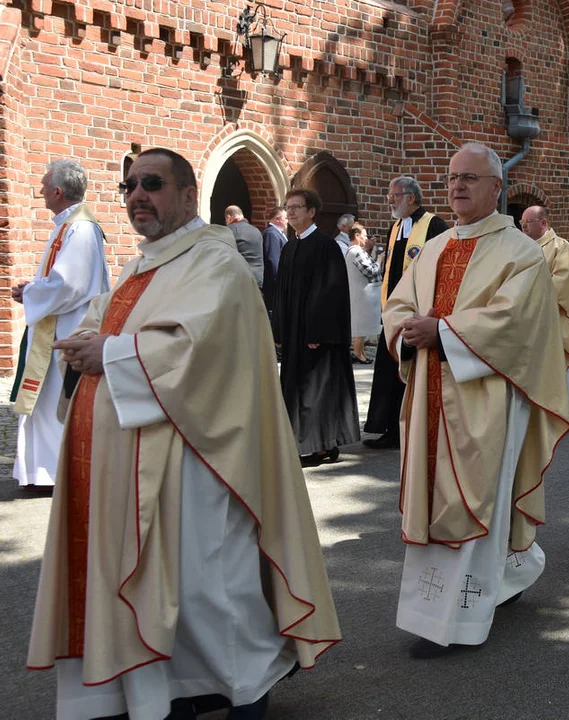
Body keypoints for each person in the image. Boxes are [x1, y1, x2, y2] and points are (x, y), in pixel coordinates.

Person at [30, 148, 341, 719]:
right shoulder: (142, 263)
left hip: (201, 457)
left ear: (188, 193)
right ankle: (176, 687)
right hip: (132, 458)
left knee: (207, 587)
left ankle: (247, 688)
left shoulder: (214, 262)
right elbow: (108, 313)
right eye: (128, 187)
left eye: (152, 184)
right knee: (162, 585)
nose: (136, 196)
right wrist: (87, 340)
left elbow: (202, 349)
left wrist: (112, 351)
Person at [383, 143, 569, 658]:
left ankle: (459, 622)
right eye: (451, 178)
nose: (458, 186)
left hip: (487, 395)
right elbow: (399, 303)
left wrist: (440, 332)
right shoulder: (436, 248)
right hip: (430, 395)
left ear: (496, 187)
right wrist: (407, 330)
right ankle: (507, 571)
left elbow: (515, 323)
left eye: (470, 177)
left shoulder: (521, 253)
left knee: (475, 496)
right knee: (435, 497)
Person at [10, 159, 109, 489]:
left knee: (56, 403)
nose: (39, 191)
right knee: (43, 403)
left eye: (43, 185)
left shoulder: (81, 228)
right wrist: (35, 291)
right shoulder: (67, 225)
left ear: (57, 191)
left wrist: (32, 292)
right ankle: (41, 473)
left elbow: (71, 284)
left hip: (68, 329)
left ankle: (55, 474)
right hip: (55, 325)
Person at [274, 189, 361, 467]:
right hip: (294, 333)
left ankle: (320, 446)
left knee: (316, 390)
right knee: (297, 389)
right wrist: (279, 331)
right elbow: (282, 293)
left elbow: (330, 292)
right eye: (288, 207)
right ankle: (305, 442)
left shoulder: (324, 246)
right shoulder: (290, 247)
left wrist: (317, 332)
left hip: (315, 335)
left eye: (298, 207)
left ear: (312, 211)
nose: (291, 212)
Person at [363, 176, 449, 450]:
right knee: (389, 369)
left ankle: (411, 428)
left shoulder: (434, 225)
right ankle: (388, 427)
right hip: (393, 310)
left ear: (411, 198)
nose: (390, 199)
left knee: (409, 370)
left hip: (419, 310)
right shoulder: (396, 226)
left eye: (395, 195)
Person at [520, 205, 569, 424]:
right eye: (521, 223)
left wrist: (529, 294)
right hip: (529, 318)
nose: (523, 226)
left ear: (543, 223)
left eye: (527, 222)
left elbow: (562, 283)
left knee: (566, 364)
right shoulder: (521, 248)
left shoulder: (560, 247)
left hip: (557, 318)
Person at [345, 223, 381, 364]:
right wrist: (379, 260)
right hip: (362, 295)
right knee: (360, 327)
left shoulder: (352, 251)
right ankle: (359, 354)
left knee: (361, 326)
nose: (366, 239)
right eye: (364, 236)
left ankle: (361, 353)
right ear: (357, 235)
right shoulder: (356, 252)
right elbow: (370, 271)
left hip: (360, 293)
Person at [224, 205, 265, 288]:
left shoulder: (230, 230)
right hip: (257, 279)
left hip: (239, 279)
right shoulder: (256, 230)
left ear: (229, 218)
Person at [261, 206, 288, 313]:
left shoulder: (277, 233)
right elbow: (273, 261)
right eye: (285, 217)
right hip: (274, 287)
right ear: (277, 219)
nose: (288, 220)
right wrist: (280, 282)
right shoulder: (271, 233)